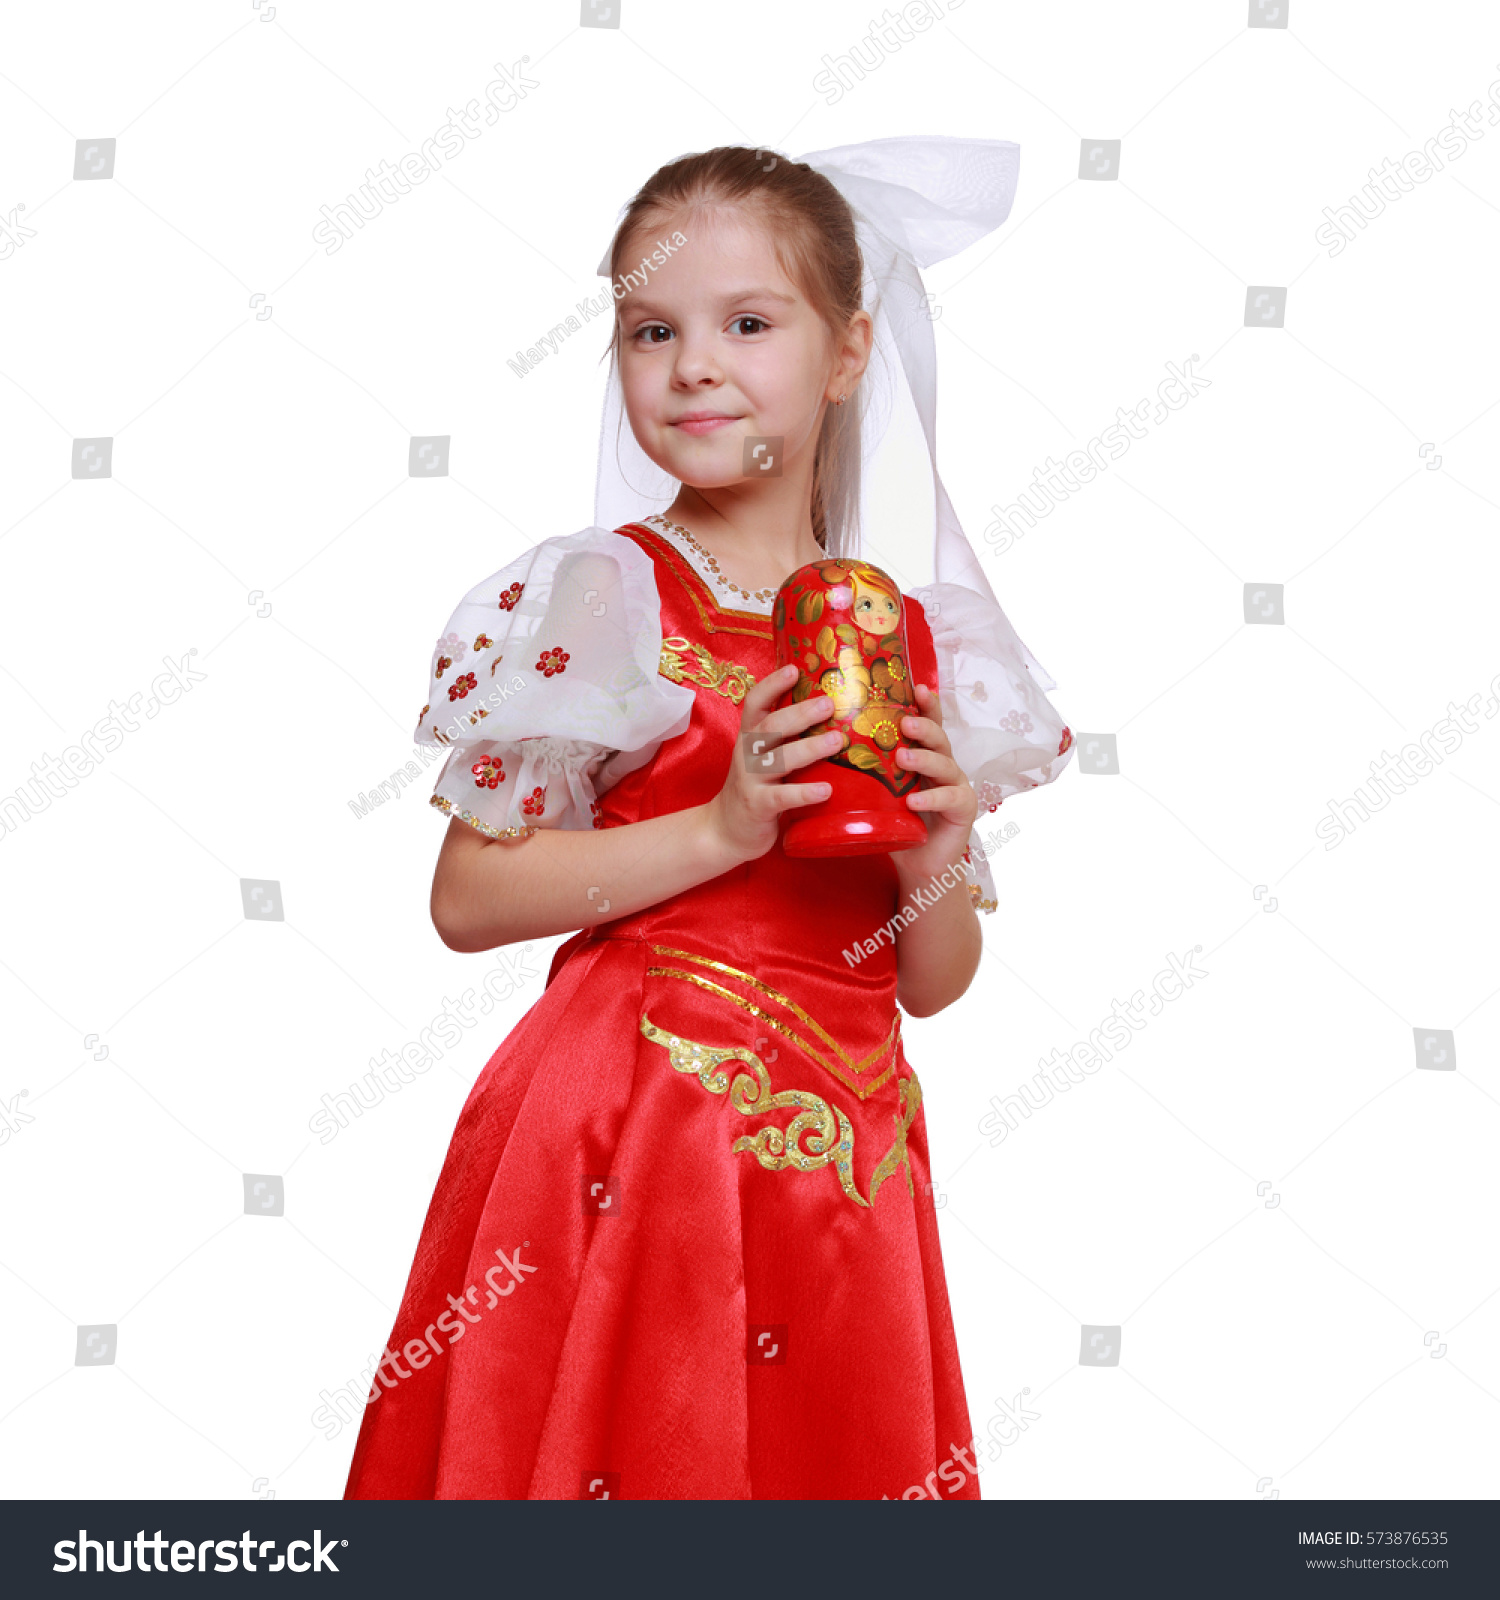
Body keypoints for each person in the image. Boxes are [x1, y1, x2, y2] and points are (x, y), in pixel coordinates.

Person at [343, 138, 1073, 1501]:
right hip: (634, 1124)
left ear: (850, 351)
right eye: (649, 329)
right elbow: (469, 897)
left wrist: (933, 837)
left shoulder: (902, 637)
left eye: (749, 323)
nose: (693, 365)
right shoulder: (606, 594)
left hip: (844, 1150)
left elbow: (934, 980)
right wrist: (724, 829)